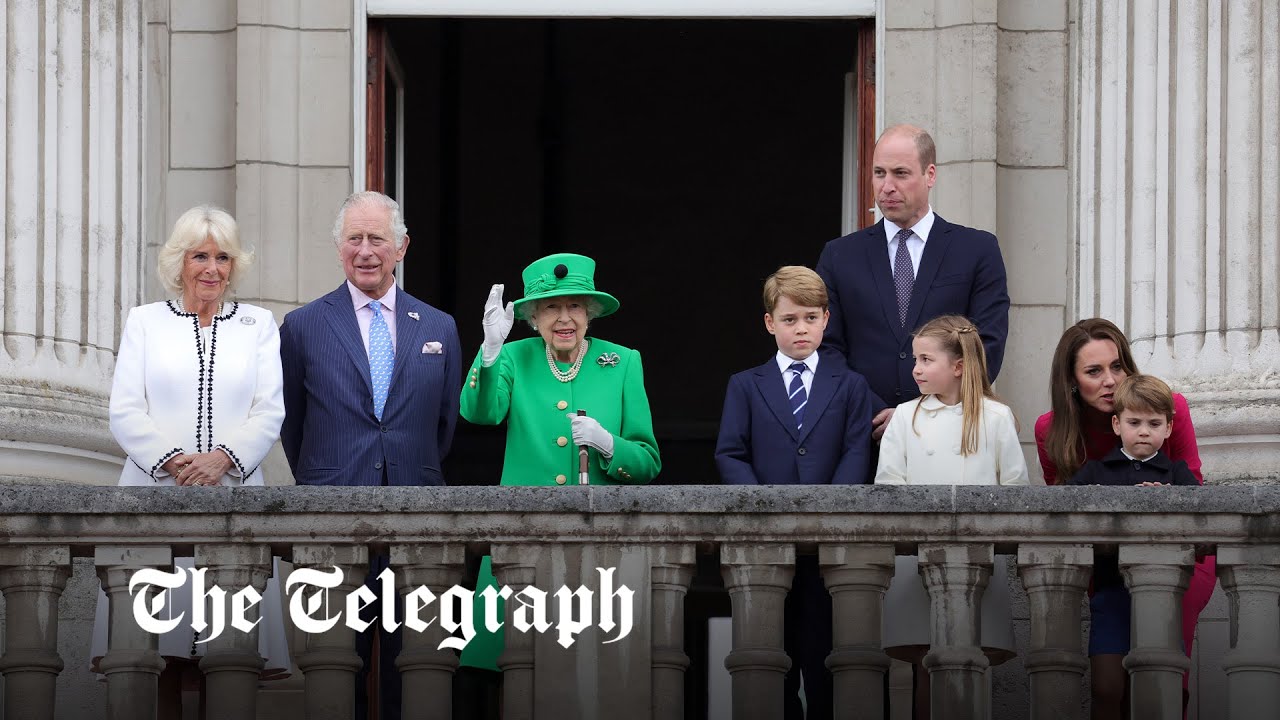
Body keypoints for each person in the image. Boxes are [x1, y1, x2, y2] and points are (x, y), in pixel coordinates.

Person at [97, 204, 290, 716]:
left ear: (234, 264)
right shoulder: (146, 322)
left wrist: (223, 459)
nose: (211, 268)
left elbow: (269, 408)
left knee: (226, 649)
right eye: (199, 255)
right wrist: (174, 461)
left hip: (233, 494)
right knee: (158, 647)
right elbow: (124, 409)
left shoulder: (258, 325)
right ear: (179, 261)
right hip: (154, 494)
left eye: (222, 256)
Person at [279, 190, 462, 720]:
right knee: (335, 664)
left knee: (420, 663)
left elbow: (444, 424)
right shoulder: (303, 325)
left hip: (420, 516)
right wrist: (328, 474)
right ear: (339, 248)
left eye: (377, 238)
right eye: (354, 239)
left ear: (401, 247)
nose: (366, 250)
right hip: (331, 515)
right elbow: (293, 422)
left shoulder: (439, 327)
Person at [456, 252, 660, 713]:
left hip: (600, 546)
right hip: (523, 542)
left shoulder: (623, 362)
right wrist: (488, 352)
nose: (564, 318)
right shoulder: (512, 356)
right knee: (518, 673)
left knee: (598, 676)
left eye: (575, 306)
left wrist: (610, 445)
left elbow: (648, 461)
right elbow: (480, 412)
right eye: (550, 307)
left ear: (590, 312)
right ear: (531, 317)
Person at [714, 265, 874, 720]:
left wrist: (830, 512)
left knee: (826, 658)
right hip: (766, 546)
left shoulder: (851, 385)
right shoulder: (746, 384)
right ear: (769, 323)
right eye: (789, 319)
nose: (800, 328)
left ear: (825, 318)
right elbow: (730, 453)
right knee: (769, 659)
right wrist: (764, 508)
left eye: (809, 317)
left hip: (829, 551)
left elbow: (855, 451)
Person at [1034, 318, 1213, 714]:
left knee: (1164, 674)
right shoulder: (1052, 431)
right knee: (1110, 682)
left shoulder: (1171, 409)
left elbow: (1195, 495)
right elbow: (1062, 511)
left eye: (1117, 366)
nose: (1110, 380)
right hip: (1107, 566)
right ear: (1072, 381)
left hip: (1182, 557)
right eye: (1094, 371)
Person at [875, 314, 1027, 720]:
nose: (916, 368)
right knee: (926, 661)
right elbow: (888, 489)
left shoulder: (996, 419)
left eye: (926, 359)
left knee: (972, 660)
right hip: (916, 561)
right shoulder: (905, 417)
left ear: (958, 366)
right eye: (916, 359)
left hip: (979, 562)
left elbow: (1015, 490)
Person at [816, 124, 1010, 441]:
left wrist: (923, 413)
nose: (887, 186)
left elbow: (986, 344)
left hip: (950, 436)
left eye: (900, 173)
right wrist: (875, 413)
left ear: (930, 175)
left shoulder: (977, 250)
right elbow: (827, 347)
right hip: (863, 436)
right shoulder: (839, 255)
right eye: (879, 173)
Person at [1068, 374, 1198, 720]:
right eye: (1134, 422)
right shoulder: (1095, 471)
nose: (1144, 431)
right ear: (1116, 423)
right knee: (1106, 688)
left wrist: (1171, 500)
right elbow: (1062, 505)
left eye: (1154, 423)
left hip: (1164, 596)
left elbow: (1203, 513)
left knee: (1159, 687)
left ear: (1169, 428)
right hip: (1111, 593)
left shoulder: (1176, 473)